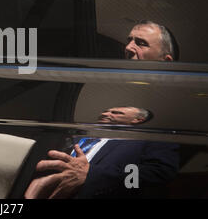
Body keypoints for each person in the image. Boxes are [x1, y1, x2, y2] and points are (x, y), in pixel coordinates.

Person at [24, 21, 180, 199]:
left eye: (141, 43)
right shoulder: (102, 100)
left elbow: (158, 174)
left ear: (165, 62)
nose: (128, 47)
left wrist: (93, 176)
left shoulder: (164, 116)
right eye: (129, 41)